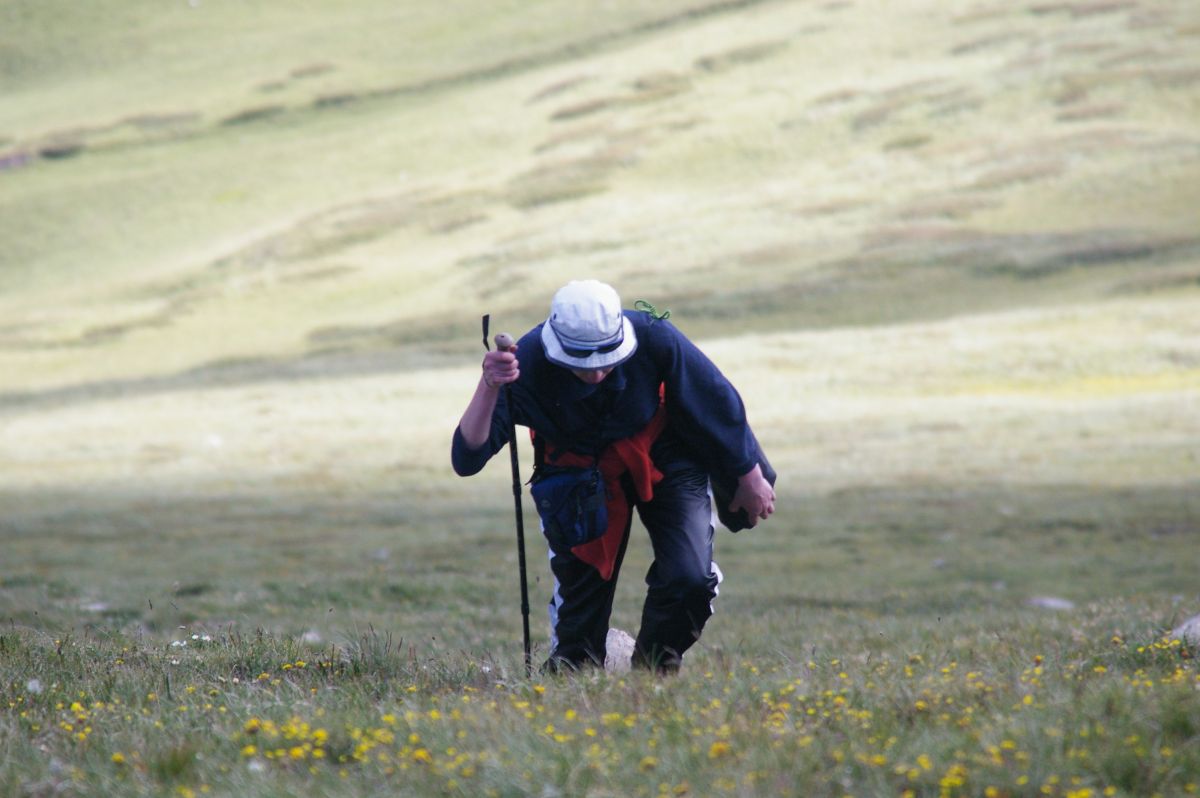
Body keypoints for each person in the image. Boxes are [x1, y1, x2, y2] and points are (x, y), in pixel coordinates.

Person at [452, 280, 776, 673]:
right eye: (583, 363)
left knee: (690, 578)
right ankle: (575, 668)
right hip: (576, 475)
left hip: (666, 456)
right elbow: (467, 457)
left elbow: (714, 397)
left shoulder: (654, 336)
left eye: (607, 358)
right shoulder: (526, 364)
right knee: (578, 644)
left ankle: (653, 673)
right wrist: (490, 386)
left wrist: (749, 474)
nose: (598, 372)